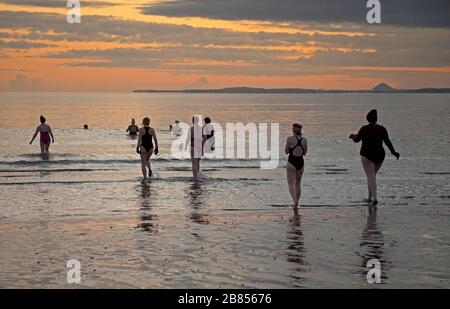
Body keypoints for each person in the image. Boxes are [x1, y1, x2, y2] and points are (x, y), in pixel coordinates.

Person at [350, 109, 400, 206]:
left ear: (367, 118)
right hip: (380, 156)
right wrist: (394, 152)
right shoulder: (382, 129)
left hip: (367, 155)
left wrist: (352, 136)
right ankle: (370, 197)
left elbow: (357, 140)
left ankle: (375, 199)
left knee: (371, 176)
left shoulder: (364, 128)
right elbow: (387, 142)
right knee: (372, 176)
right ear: (376, 119)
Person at [285, 123, 307, 208]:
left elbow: (286, 151)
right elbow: (305, 153)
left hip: (291, 162)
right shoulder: (305, 140)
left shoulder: (289, 139)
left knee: (291, 184)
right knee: (298, 184)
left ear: (293, 130)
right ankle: (297, 202)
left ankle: (295, 201)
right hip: (301, 162)